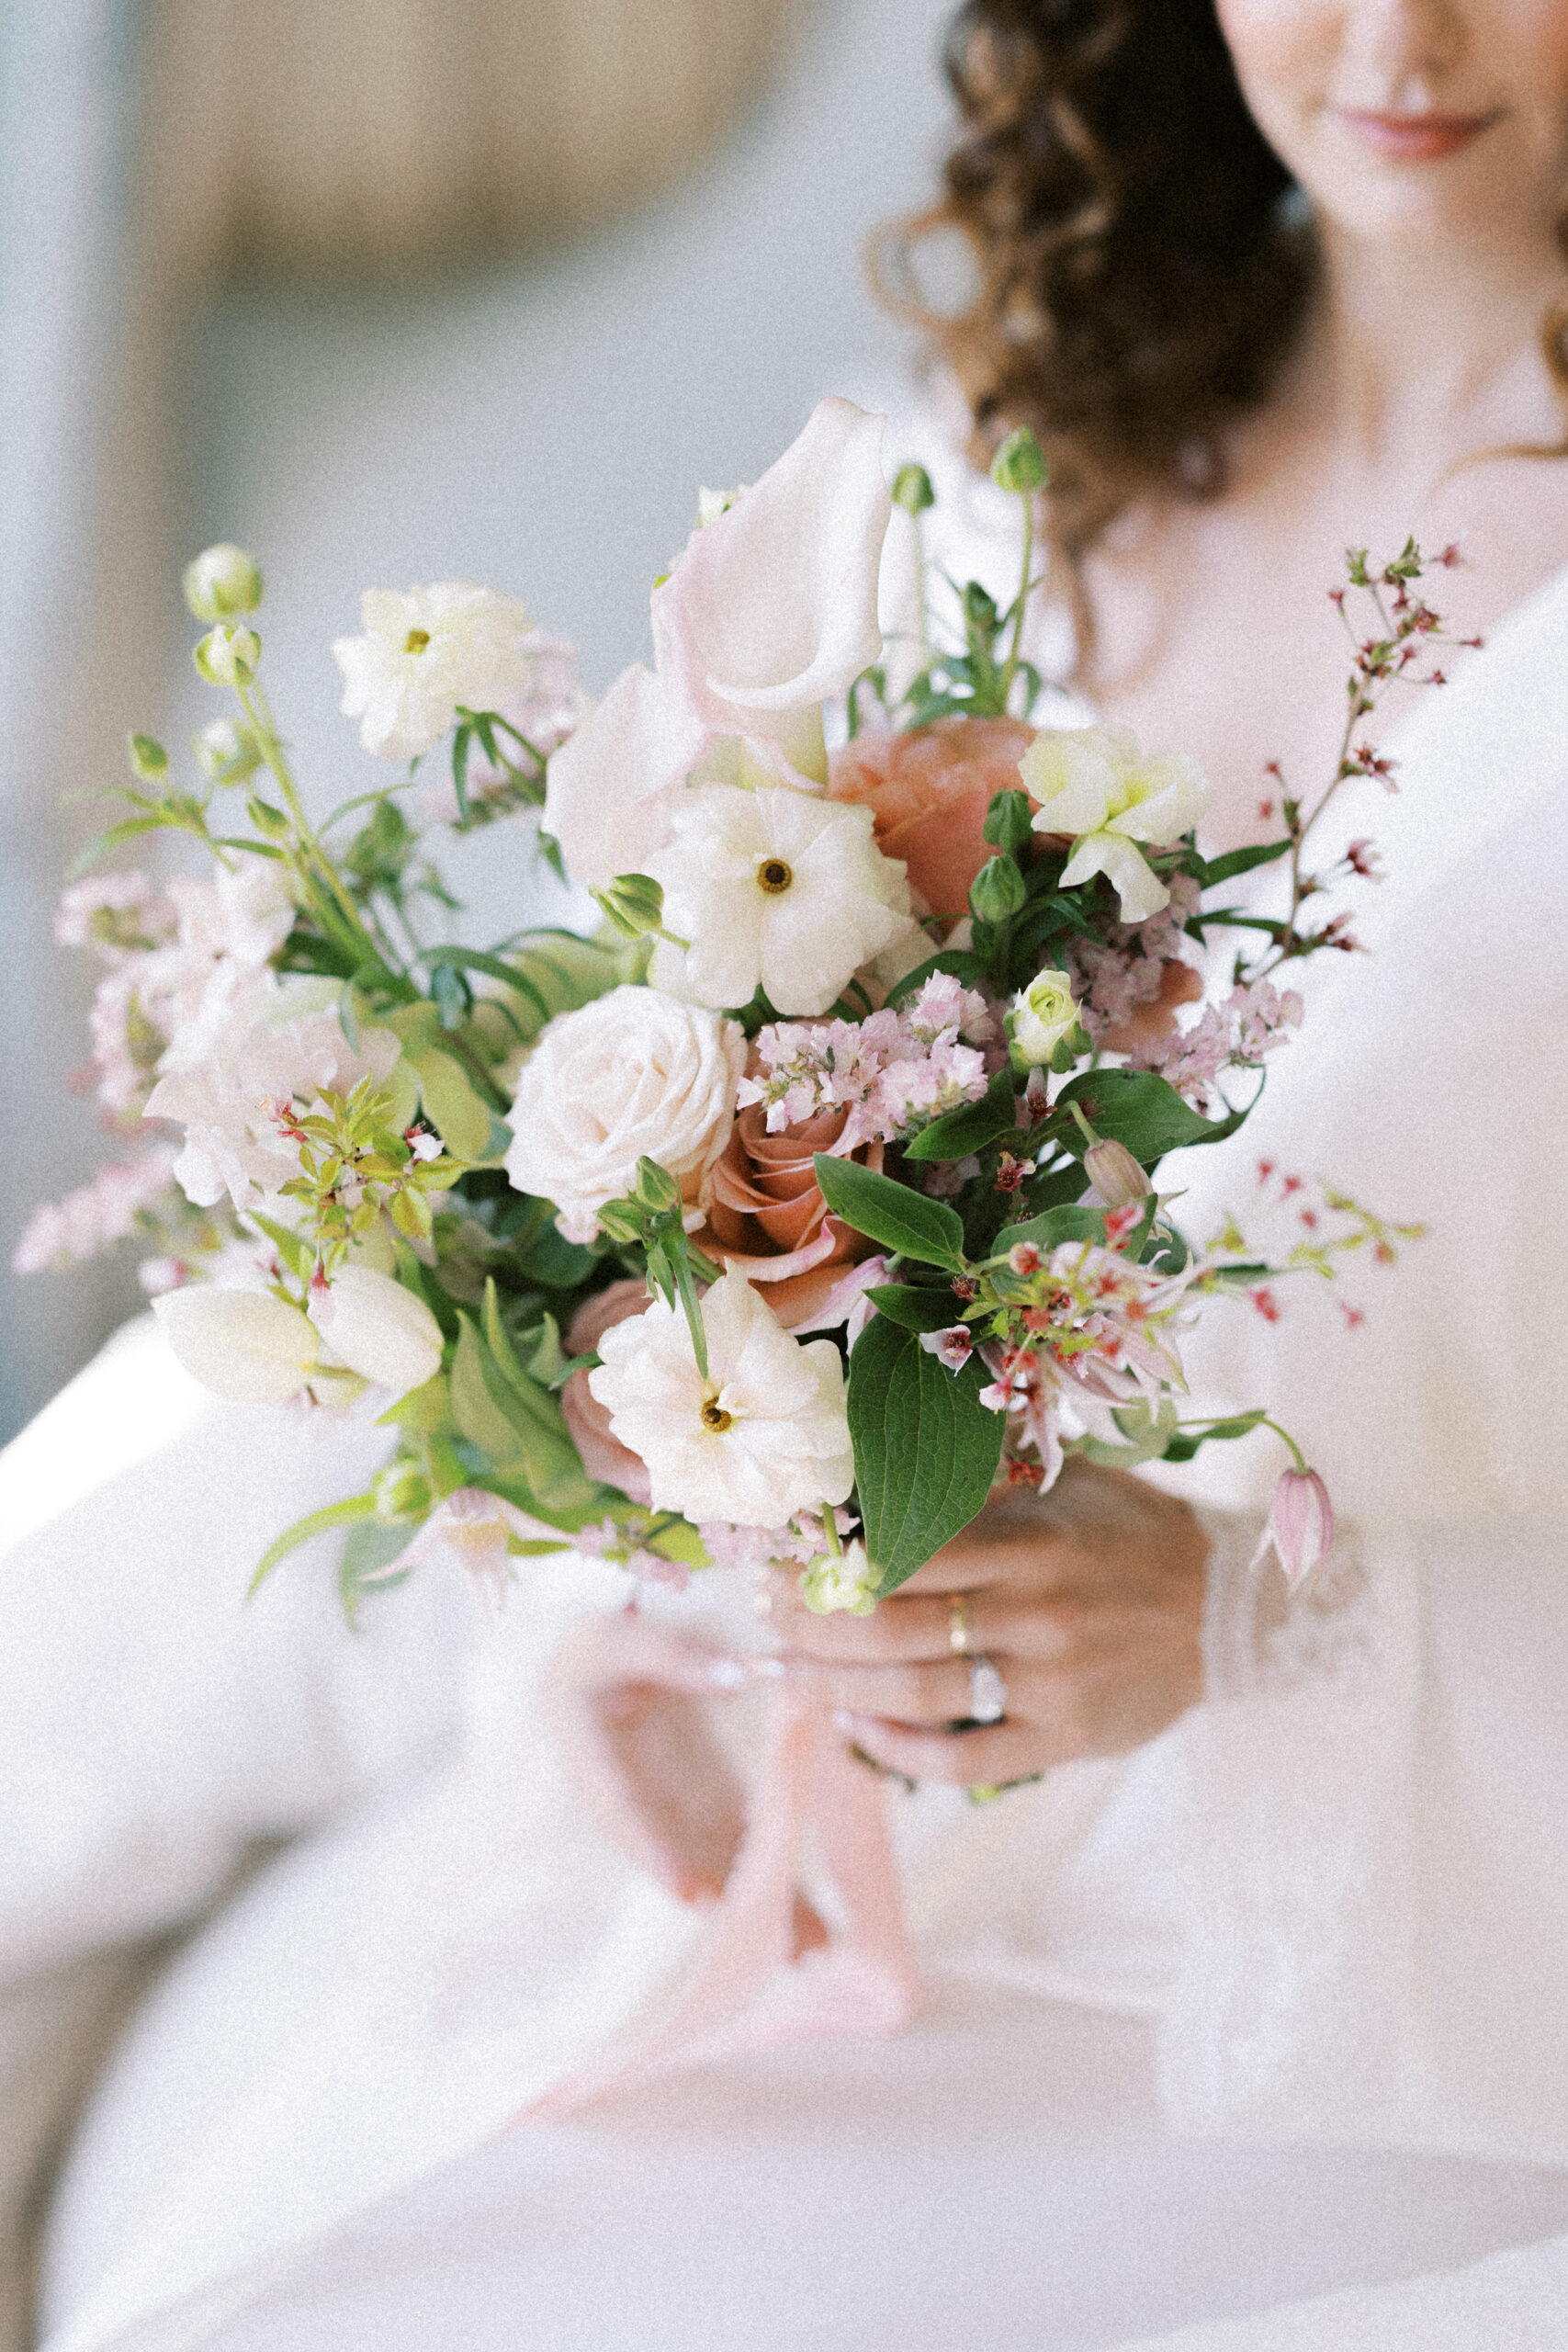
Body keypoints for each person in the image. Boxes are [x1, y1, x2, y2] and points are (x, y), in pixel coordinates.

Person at [8, 3, 1568, 2346]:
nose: (1390, 34)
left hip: (1267, 1938)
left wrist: (1259, 1627)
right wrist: (632, 1590)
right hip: (831, 1745)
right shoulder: (1007, 451)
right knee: (185, 1486)